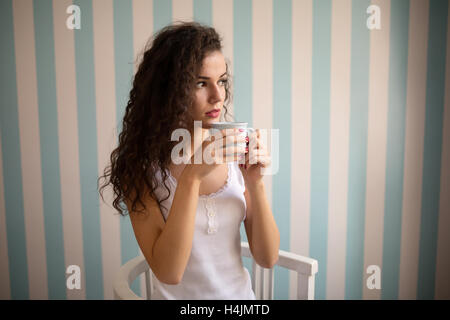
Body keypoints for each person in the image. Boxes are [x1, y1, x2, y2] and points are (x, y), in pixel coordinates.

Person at [98, 21, 280, 300]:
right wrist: (192, 177)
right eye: (200, 83)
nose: (218, 96)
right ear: (168, 90)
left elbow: (267, 258)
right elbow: (169, 272)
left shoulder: (232, 151)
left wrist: (255, 184)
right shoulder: (141, 171)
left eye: (221, 81)